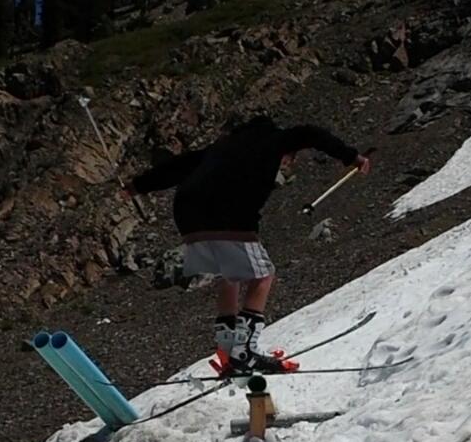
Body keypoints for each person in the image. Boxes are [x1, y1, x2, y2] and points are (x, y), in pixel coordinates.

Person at [125, 113, 371, 373]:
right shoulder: (274, 139)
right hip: (225, 213)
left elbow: (177, 167)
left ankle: (227, 354)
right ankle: (245, 351)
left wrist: (137, 185)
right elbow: (312, 132)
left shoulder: (219, 148)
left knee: (229, 276)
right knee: (264, 274)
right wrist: (353, 157)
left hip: (187, 215)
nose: (286, 163)